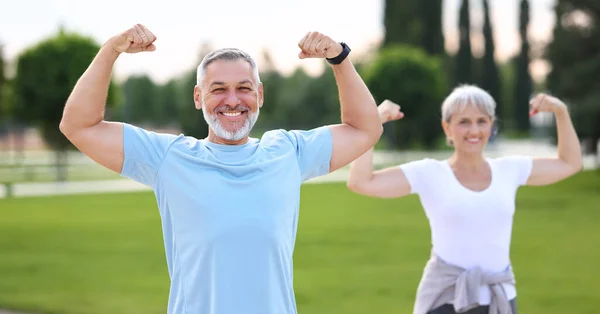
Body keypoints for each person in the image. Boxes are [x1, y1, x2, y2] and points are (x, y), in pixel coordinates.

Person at [59, 24, 383, 314]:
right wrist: (110, 50)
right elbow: (78, 125)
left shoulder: (287, 152)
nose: (232, 100)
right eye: (218, 89)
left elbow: (364, 129)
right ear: (198, 97)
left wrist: (339, 58)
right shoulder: (169, 157)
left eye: (244, 88)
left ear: (260, 95)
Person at [346, 85, 583, 314]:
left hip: (499, 299)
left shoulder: (510, 169)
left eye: (482, 121)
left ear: (491, 125)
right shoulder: (429, 173)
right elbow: (361, 182)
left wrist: (561, 112)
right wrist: (374, 122)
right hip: (445, 299)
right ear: (447, 127)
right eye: (464, 122)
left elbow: (569, 163)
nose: (474, 131)